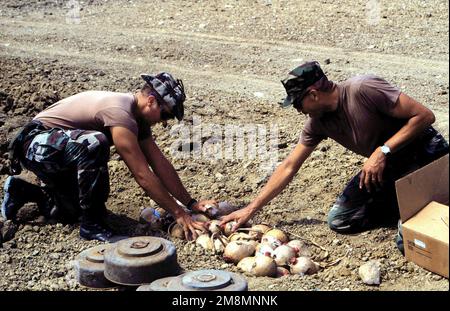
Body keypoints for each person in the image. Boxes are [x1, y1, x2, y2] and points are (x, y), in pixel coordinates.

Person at [220, 61, 449, 253]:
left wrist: (382, 150)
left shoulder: (363, 89)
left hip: (426, 157)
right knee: (341, 220)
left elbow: (425, 116)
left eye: (299, 104)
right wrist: (251, 208)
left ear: (313, 94)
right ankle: (406, 205)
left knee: (408, 242)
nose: (300, 111)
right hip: (387, 169)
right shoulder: (318, 122)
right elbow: (289, 166)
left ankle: (430, 201)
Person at [1, 72, 215, 242]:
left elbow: (158, 163)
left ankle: (22, 190)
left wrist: (190, 203)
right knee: (94, 143)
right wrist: (178, 213)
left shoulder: (137, 120)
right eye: (166, 114)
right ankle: (91, 226)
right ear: (151, 101)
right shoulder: (120, 111)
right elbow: (142, 174)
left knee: (69, 212)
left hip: (58, 150)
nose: (165, 122)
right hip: (34, 142)